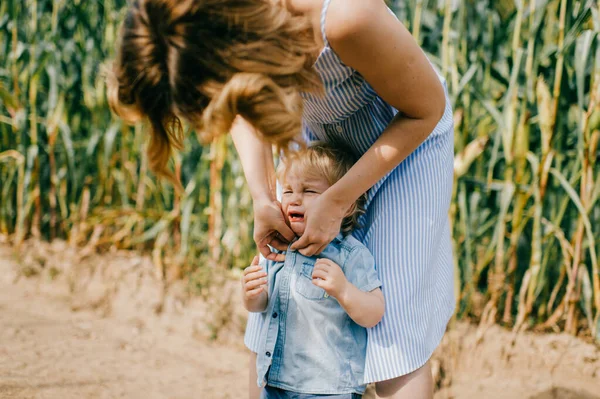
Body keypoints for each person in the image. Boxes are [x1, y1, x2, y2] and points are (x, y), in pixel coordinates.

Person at [108, 0, 455, 397]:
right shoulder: (233, 26)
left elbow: (425, 110)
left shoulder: (345, 17)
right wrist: (263, 197)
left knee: (393, 329)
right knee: (281, 289)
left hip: (403, 139)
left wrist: (339, 199)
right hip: (319, 141)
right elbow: (239, 102)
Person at [242, 143, 384, 398]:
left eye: (308, 190)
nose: (294, 198)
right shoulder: (278, 248)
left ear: (345, 205)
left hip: (328, 388)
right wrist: (252, 296)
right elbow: (263, 306)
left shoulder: (349, 255)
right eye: (287, 191)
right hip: (276, 382)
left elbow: (374, 312)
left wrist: (344, 290)